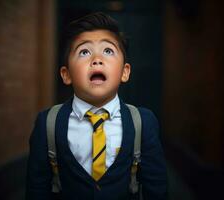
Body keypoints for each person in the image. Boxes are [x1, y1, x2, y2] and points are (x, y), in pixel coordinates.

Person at [26, 12, 167, 200]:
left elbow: (156, 189)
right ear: (66, 74)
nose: (97, 59)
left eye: (108, 51)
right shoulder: (48, 123)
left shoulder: (143, 122)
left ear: (125, 72)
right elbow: (37, 189)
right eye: (84, 52)